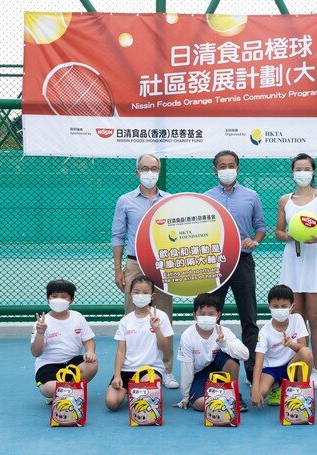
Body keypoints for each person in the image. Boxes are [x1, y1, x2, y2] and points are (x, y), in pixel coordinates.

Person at [111, 153, 178, 389]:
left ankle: (166, 370)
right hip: (135, 264)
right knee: (134, 315)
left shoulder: (170, 200)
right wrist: (118, 269)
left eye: (154, 168)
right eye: (145, 168)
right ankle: (131, 368)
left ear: (159, 171)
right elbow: (118, 236)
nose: (150, 172)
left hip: (163, 265)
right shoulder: (125, 201)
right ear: (137, 172)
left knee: (164, 317)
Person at [205, 150, 266, 383]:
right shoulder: (206, 198)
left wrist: (255, 240)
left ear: (238, 168)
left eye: (231, 165)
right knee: (211, 318)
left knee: (249, 318)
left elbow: (261, 226)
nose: (227, 169)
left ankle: (252, 371)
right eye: (222, 165)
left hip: (242, 261)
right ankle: (213, 367)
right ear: (215, 169)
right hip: (215, 263)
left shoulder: (251, 196)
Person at [275, 153, 317, 389]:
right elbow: (278, 232)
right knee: (296, 320)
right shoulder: (284, 200)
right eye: (298, 169)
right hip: (293, 261)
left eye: (306, 168)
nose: (302, 172)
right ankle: (300, 368)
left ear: (313, 171)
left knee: (314, 319)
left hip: (315, 261)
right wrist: (290, 236)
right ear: (292, 172)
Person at [105, 275, 175, 410]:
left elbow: (165, 349)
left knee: (144, 402)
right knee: (111, 403)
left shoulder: (161, 316)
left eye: (145, 292)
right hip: (127, 369)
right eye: (136, 292)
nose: (140, 296)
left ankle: (138, 390)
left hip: (150, 369)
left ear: (152, 296)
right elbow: (121, 351)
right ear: (131, 295)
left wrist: (157, 329)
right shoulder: (126, 320)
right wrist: (117, 375)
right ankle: (132, 389)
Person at [172, 294, 249, 412]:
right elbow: (187, 368)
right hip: (199, 375)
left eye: (211, 314)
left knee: (231, 360)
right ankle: (222, 398)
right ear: (195, 315)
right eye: (202, 314)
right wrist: (185, 397)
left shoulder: (224, 332)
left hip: (219, 371)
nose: (206, 317)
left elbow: (245, 355)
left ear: (218, 315)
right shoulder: (187, 336)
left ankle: (233, 395)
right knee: (201, 404)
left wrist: (224, 344)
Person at [31, 279, 98, 404]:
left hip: (71, 363)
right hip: (49, 365)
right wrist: (41, 333)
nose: (59, 300)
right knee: (51, 388)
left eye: (64, 297)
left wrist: (90, 351)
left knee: (92, 364)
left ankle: (67, 391)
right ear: (48, 298)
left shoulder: (78, 317)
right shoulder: (41, 323)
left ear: (71, 300)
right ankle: (56, 393)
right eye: (54, 296)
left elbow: (89, 340)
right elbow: (36, 353)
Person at [250, 284, 313, 408]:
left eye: (284, 306)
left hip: (291, 365)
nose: (280, 309)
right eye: (275, 306)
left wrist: (290, 344)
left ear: (291, 307)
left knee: (306, 353)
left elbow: (303, 348)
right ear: (269, 307)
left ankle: (300, 391)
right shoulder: (265, 331)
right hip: (270, 369)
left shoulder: (297, 319)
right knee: (260, 393)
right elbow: (259, 362)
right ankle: (276, 387)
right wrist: (255, 389)